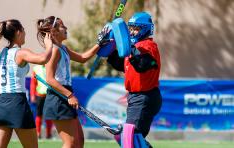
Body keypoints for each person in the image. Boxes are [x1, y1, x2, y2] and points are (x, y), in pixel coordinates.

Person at [36, 16, 110, 148]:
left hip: (64, 95)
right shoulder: (54, 50)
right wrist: (69, 95)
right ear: (54, 32)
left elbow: (82, 58)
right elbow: (50, 79)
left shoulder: (63, 48)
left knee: (79, 141)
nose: (66, 28)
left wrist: (99, 44)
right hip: (58, 97)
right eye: (62, 26)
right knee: (70, 144)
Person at [0, 19, 53, 148]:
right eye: (24, 30)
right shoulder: (20, 52)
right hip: (17, 103)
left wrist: (3, 97)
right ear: (18, 32)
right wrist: (49, 45)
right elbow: (43, 58)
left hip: (2, 103)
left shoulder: (2, 54)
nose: (25, 34)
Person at [107, 12, 162, 148]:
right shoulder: (134, 49)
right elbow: (118, 63)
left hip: (145, 97)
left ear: (144, 29)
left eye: (135, 29)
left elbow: (142, 65)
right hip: (135, 98)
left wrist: (129, 48)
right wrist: (109, 45)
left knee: (129, 137)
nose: (131, 32)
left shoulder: (147, 46)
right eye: (130, 28)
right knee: (129, 137)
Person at [30, 65, 53, 139]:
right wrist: (32, 95)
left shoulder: (51, 66)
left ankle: (48, 134)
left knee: (49, 115)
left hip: (49, 95)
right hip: (40, 95)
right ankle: (38, 133)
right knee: (39, 115)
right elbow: (33, 83)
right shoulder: (36, 68)